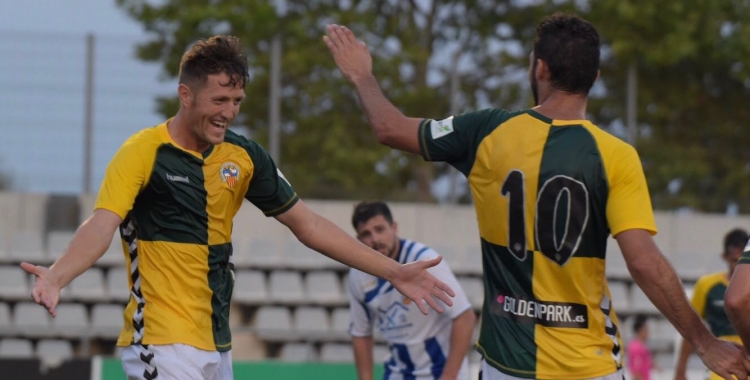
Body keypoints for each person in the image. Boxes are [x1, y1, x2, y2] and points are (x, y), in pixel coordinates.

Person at [323, 13, 750, 380]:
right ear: (594, 79)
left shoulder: (486, 131)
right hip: (589, 364)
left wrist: (361, 75)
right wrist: (705, 342)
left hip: (505, 365)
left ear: (540, 69)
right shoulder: (616, 156)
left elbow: (389, 128)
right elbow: (642, 261)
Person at [19, 35, 455, 380]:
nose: (229, 113)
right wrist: (59, 274)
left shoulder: (243, 157)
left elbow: (310, 224)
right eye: (219, 101)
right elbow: (102, 223)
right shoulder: (143, 152)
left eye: (237, 102)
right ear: (185, 95)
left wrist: (393, 271)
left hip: (217, 345)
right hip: (161, 341)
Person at [348, 200, 476, 380]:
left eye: (380, 229)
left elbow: (465, 317)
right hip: (398, 372)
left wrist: (448, 377)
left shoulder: (424, 261)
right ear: (358, 240)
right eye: (366, 234)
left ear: (394, 228)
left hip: (441, 371)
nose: (375, 239)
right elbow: (361, 334)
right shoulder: (358, 274)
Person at [675, 228, 748, 380]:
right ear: (725, 257)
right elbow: (692, 325)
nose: (738, 267)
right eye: (735, 260)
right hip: (724, 357)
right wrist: (681, 370)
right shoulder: (707, 285)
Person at [627, 315, 654, 380]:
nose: (648, 333)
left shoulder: (642, 346)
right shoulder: (636, 348)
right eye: (646, 330)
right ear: (640, 330)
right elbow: (636, 372)